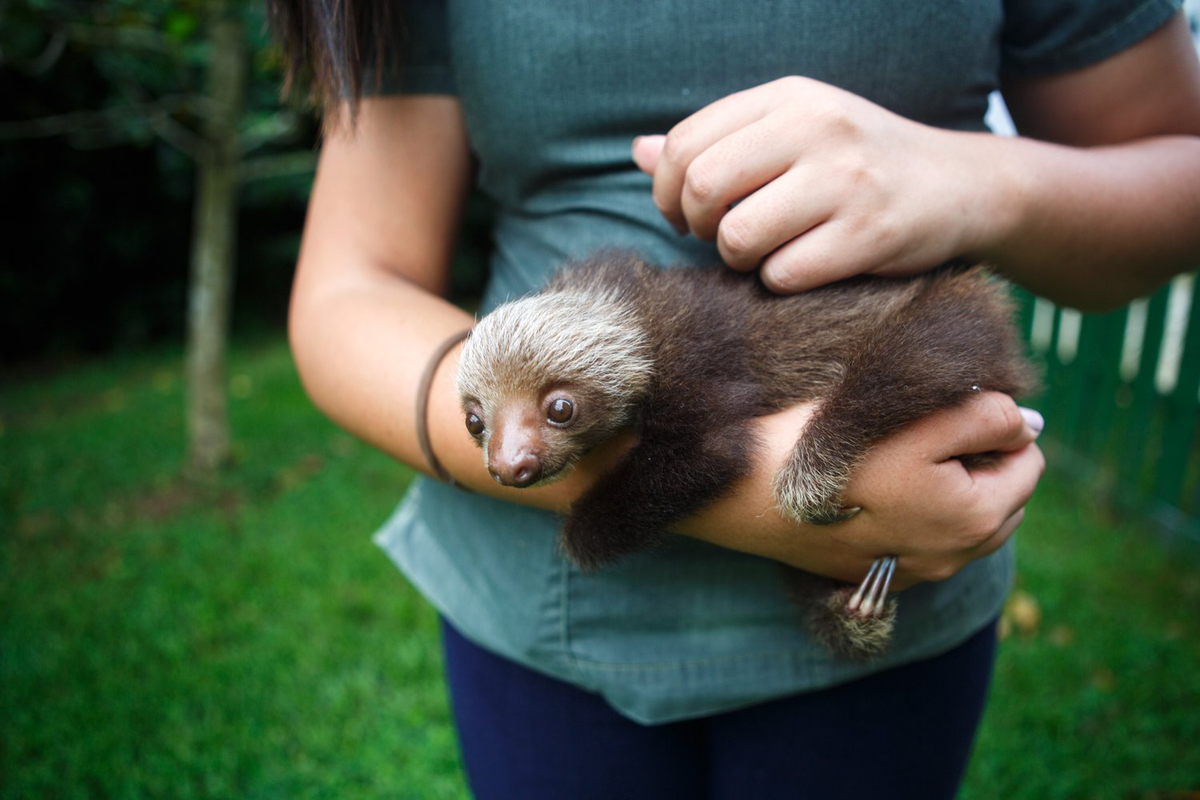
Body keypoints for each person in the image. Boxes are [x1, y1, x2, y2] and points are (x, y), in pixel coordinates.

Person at [272, 2, 1200, 797]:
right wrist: (763, 486)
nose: (506, 454)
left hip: (902, 585)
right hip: (528, 620)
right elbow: (349, 284)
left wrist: (982, 180)